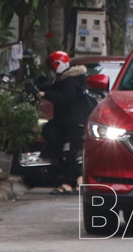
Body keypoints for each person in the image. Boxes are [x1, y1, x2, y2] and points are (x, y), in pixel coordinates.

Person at [39, 50, 93, 195]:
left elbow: (63, 97)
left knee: (69, 153)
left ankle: (69, 183)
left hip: (74, 124)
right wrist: (40, 87)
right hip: (67, 124)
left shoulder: (71, 81)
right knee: (68, 153)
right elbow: (55, 88)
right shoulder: (67, 80)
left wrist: (45, 94)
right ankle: (78, 180)